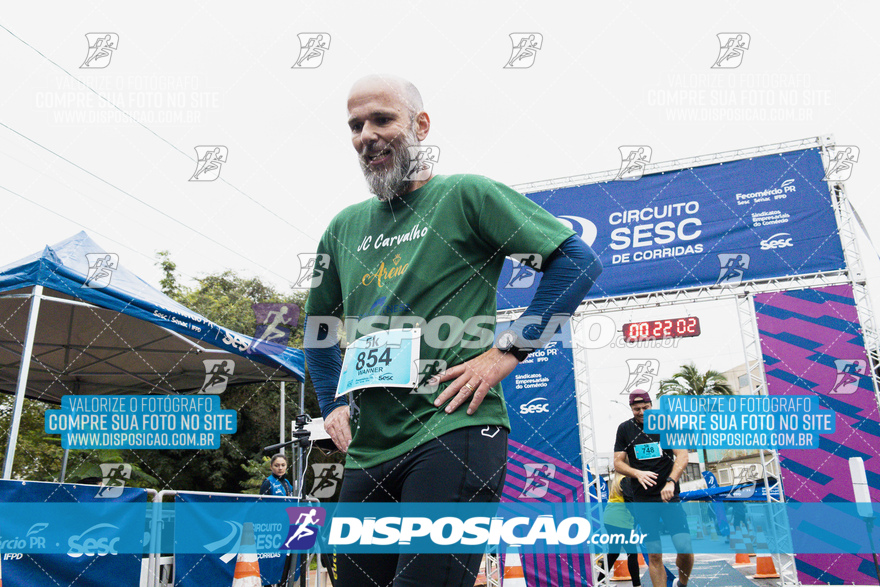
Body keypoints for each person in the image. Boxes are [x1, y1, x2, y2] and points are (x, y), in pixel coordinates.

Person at [303, 74, 602, 587]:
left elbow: (576, 262)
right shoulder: (343, 226)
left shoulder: (466, 195)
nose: (366, 135)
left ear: (420, 125)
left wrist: (507, 351)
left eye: (382, 119)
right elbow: (318, 328)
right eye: (355, 125)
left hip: (453, 428)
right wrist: (331, 404)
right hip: (370, 447)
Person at [614, 390, 693, 587]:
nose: (641, 412)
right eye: (636, 409)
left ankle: (681, 584)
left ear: (651, 406)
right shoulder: (625, 429)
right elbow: (618, 463)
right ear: (631, 408)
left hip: (668, 497)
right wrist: (637, 473)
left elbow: (682, 455)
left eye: (645, 408)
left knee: (684, 546)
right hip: (643, 500)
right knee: (654, 553)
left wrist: (671, 482)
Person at [597, 473, 641, 586]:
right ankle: (637, 584)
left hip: (610, 518)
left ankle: (600, 581)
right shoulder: (626, 479)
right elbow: (629, 501)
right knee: (631, 552)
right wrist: (638, 518)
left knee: (613, 551)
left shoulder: (617, 479)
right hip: (621, 519)